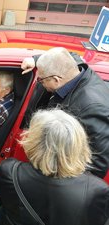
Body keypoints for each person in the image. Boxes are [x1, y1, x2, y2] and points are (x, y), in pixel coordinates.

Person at [0, 109, 109, 225]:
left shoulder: (9, 171)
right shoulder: (97, 190)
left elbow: (2, 200)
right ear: (79, 145)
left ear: (33, 142)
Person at [21, 47, 109, 178]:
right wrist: (35, 59)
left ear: (56, 80)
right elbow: (68, 54)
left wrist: (61, 185)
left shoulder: (92, 108)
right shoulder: (74, 69)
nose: (40, 83)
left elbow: (97, 164)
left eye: (42, 80)